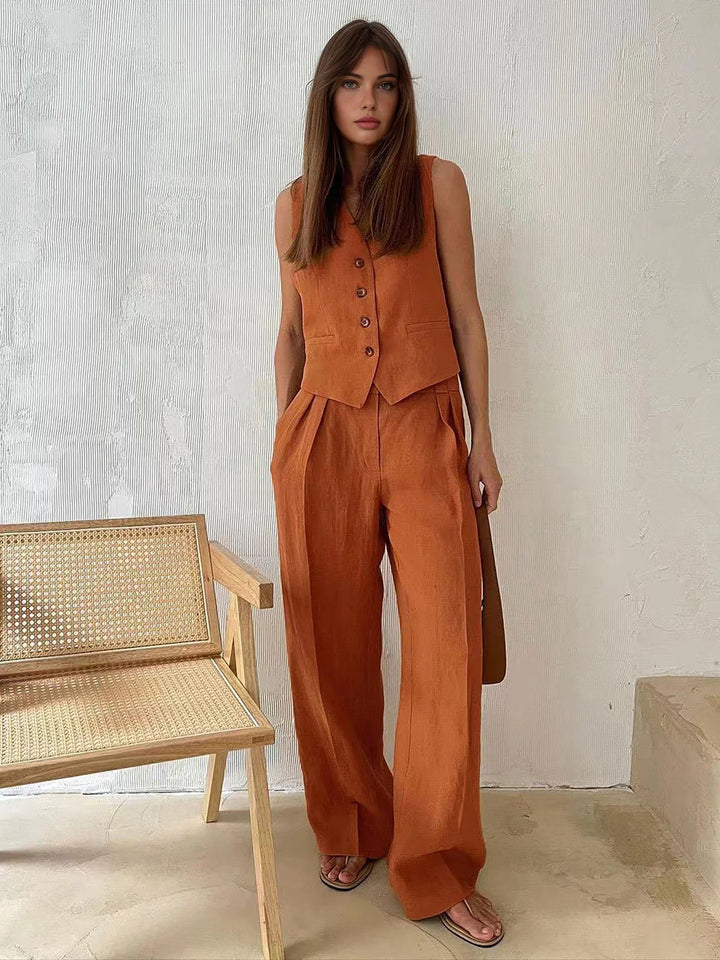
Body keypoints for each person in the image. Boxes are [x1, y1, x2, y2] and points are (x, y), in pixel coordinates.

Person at [270, 19, 504, 949]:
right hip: (320, 432)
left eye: (386, 83)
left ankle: (437, 863)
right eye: (351, 83)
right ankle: (356, 825)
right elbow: (287, 332)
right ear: (328, 97)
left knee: (445, 649)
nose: (369, 99)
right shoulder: (293, 205)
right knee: (330, 643)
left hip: (424, 427)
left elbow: (471, 317)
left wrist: (484, 442)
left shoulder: (437, 185)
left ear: (402, 98)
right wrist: (279, 441)